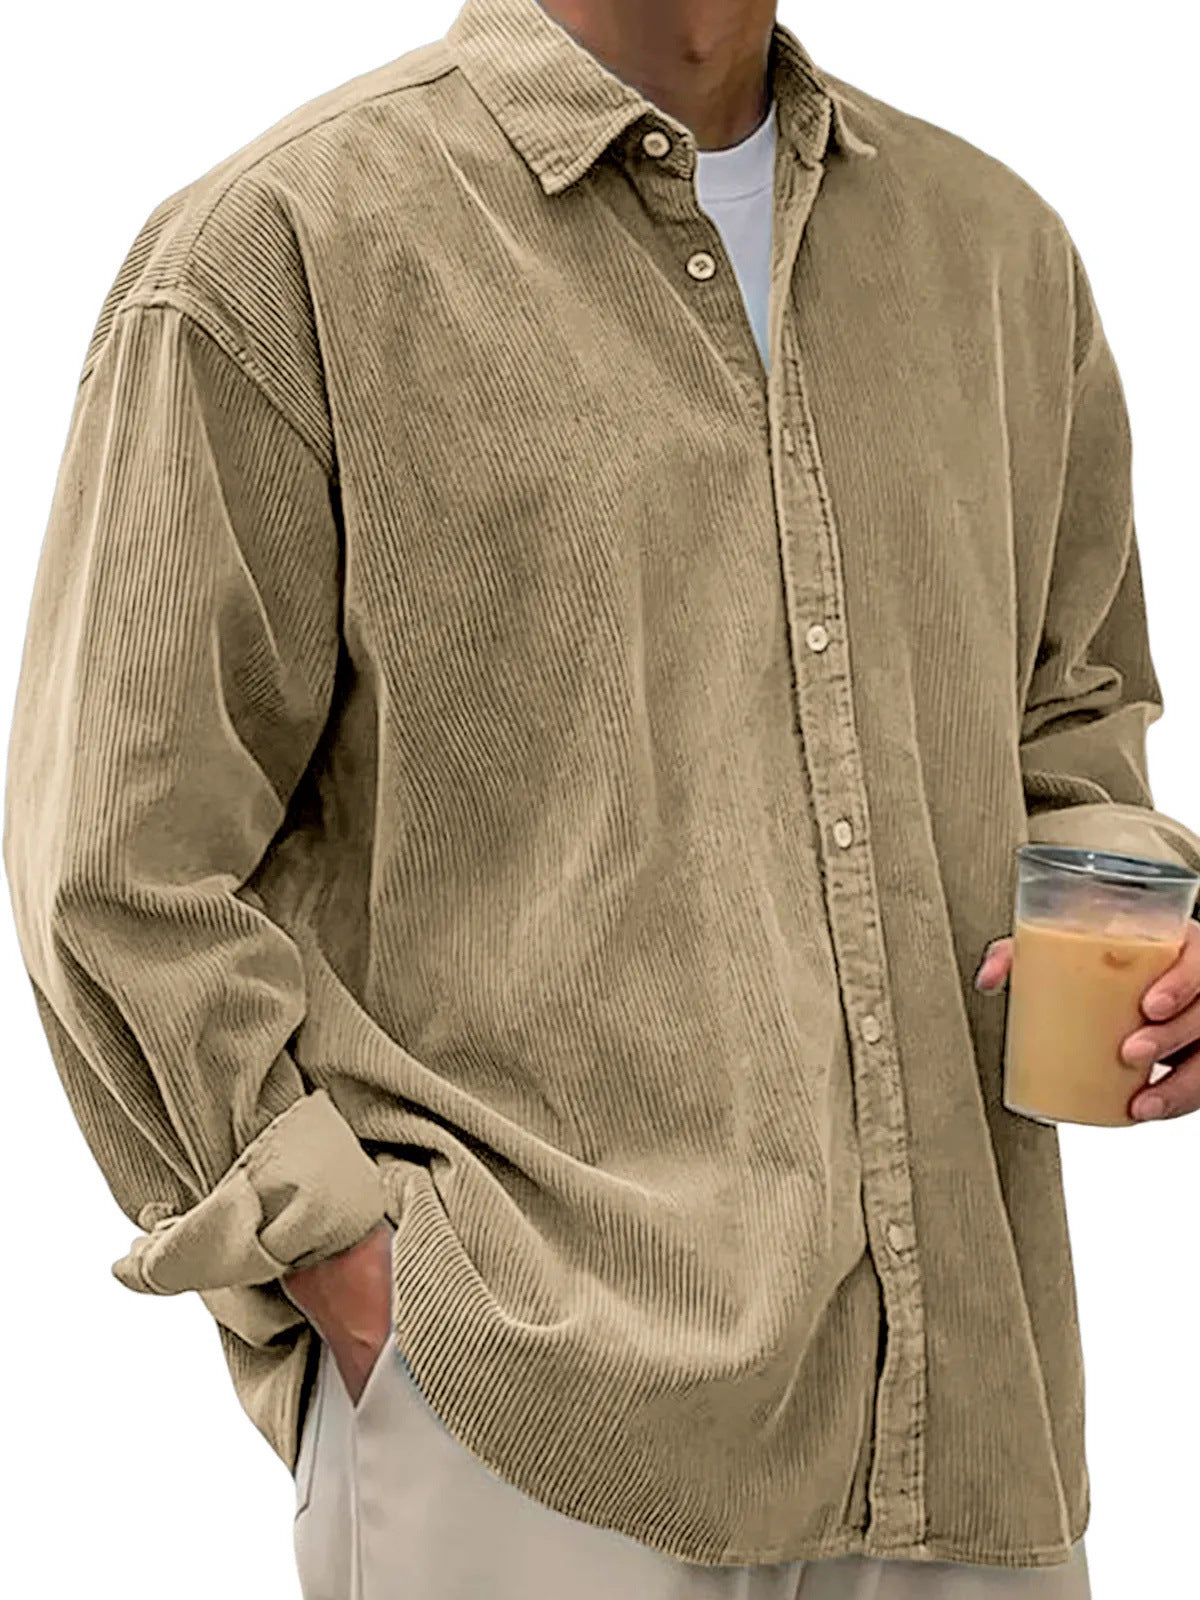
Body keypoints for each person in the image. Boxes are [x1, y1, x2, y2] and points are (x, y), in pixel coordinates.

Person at [6, 0, 1200, 1595]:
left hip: (965, 1418)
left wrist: (1129, 926)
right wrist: (343, 1257)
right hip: (533, 1421)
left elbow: (1069, 714)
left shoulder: (997, 254)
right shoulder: (286, 248)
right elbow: (117, 856)